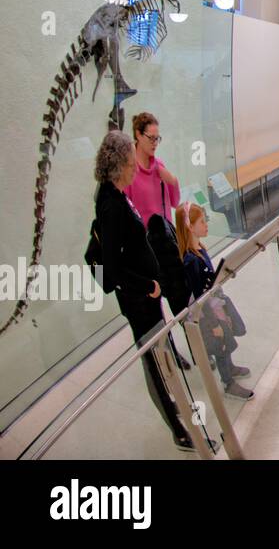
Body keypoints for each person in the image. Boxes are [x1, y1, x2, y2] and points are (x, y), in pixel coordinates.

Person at [94, 130, 194, 452]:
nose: (135, 164)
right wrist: (146, 285)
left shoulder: (119, 194)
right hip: (138, 299)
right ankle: (175, 426)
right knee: (151, 358)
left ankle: (174, 405)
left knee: (161, 349)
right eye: (130, 158)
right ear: (120, 162)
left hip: (148, 296)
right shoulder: (110, 204)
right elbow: (110, 271)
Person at [125, 112, 190, 367]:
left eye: (157, 138)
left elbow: (174, 202)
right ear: (138, 136)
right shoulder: (129, 173)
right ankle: (170, 353)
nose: (154, 143)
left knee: (179, 297)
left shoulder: (158, 166)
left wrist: (171, 180)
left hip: (166, 246)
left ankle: (197, 345)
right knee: (156, 307)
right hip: (146, 251)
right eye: (151, 138)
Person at [174, 203, 254, 400]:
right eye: (202, 221)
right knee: (221, 345)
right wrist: (214, 323)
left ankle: (230, 367)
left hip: (215, 306)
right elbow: (200, 297)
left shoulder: (199, 249)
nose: (207, 224)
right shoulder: (191, 261)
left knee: (226, 340)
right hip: (209, 314)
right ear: (190, 227)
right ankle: (228, 383)